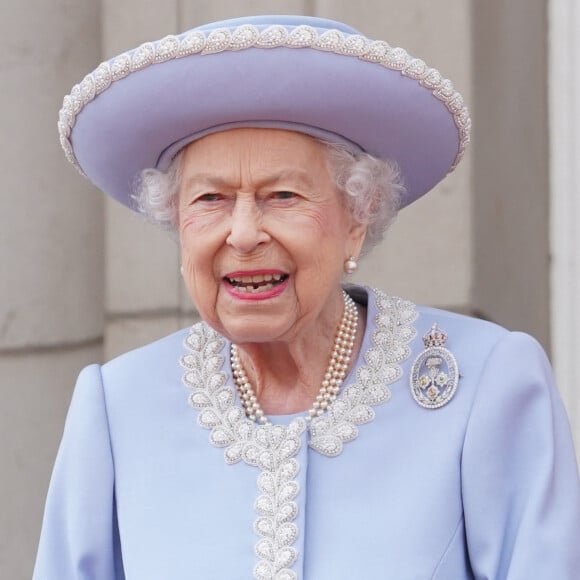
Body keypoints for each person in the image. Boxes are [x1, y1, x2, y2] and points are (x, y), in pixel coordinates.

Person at [35, 15, 580, 580]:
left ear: (357, 218)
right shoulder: (119, 406)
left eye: (283, 195)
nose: (243, 233)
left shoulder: (483, 385)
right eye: (211, 199)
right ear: (177, 223)